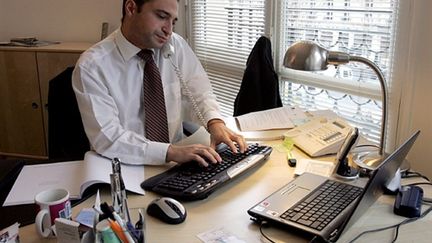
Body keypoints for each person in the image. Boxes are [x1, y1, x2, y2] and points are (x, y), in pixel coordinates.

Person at [72, 0, 246, 166]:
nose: (168, 30)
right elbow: (108, 137)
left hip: (176, 162)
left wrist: (215, 123)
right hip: (124, 165)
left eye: (173, 21)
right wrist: (169, 152)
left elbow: (199, 91)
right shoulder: (92, 65)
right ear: (131, 8)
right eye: (162, 16)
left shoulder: (174, 45)